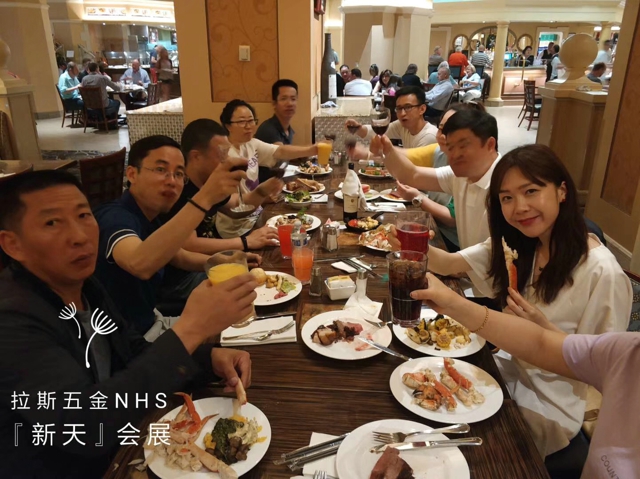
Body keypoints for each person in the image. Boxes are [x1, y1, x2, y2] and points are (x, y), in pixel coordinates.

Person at [0, 170, 256, 478]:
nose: (79, 236)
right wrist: (191, 330)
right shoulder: (11, 320)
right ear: (13, 244)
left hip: (121, 443)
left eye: (83, 215)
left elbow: (130, 351)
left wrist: (205, 358)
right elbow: (83, 423)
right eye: (52, 223)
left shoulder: (84, 286)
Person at [408, 144, 631, 465]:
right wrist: (406, 241)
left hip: (546, 407)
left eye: (531, 191)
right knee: (415, 395)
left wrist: (543, 329)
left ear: (562, 191)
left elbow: (605, 373)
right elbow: (449, 263)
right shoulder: (518, 245)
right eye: (507, 198)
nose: (520, 207)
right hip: (500, 373)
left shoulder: (602, 273)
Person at [413, 273, 639, 479]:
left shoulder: (605, 275)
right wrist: (453, 304)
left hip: (546, 414)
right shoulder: (628, 352)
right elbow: (541, 344)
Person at [93, 135, 248, 336]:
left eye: (179, 174)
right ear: (132, 174)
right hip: (129, 340)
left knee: (240, 321)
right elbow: (138, 263)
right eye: (161, 170)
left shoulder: (151, 215)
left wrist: (229, 263)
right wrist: (205, 197)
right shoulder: (114, 217)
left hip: (154, 321)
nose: (172, 181)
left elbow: (180, 257)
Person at [159, 120, 280, 303]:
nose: (227, 161)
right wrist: (245, 242)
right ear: (196, 157)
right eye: (222, 155)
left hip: (211, 261)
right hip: (182, 279)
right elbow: (190, 244)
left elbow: (236, 206)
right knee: (258, 288)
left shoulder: (208, 183)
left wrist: (261, 192)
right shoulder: (179, 190)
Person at [373, 109, 499, 258]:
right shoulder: (461, 174)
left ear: (490, 144)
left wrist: (414, 246)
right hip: (465, 266)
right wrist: (387, 149)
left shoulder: (505, 187)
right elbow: (412, 175)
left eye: (463, 146)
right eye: (450, 148)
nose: (454, 155)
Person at [217, 99, 319, 238]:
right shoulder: (224, 155)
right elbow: (232, 205)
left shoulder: (251, 144)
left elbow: (280, 151)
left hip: (257, 215)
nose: (248, 126)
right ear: (228, 125)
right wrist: (262, 194)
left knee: (301, 227)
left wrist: (313, 149)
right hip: (237, 228)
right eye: (241, 122)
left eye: (251, 120)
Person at [346, 86, 437, 157]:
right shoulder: (403, 126)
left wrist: (367, 154)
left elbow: (411, 161)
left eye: (408, 107)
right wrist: (358, 128)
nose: (402, 113)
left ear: (422, 109)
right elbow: (379, 129)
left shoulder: (429, 136)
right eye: (399, 108)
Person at [255, 79, 298, 145]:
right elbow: (282, 150)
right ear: (274, 103)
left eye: (293, 99)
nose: (290, 104)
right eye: (283, 99)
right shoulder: (268, 129)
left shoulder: (288, 130)